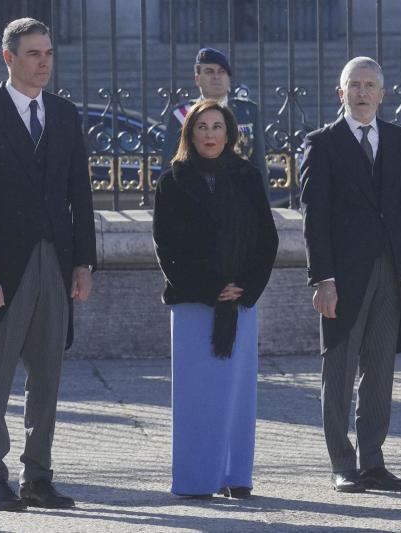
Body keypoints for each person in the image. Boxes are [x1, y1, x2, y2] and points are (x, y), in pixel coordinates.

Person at [0, 18, 96, 511]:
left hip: (55, 260)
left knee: (48, 374)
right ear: (8, 58)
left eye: (49, 53)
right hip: (3, 268)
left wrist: (84, 263)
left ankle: (38, 476)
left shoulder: (65, 114)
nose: (44, 62)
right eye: (34, 53)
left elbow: (80, 194)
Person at [300, 57, 401, 493]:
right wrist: (323, 279)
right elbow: (314, 218)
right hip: (343, 277)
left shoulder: (398, 140)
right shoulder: (322, 143)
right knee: (338, 369)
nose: (362, 93)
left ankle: (372, 460)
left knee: (380, 368)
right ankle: (342, 463)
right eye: (354, 85)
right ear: (341, 93)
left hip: (390, 271)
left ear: (382, 94)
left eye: (370, 85)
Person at [152, 99, 278, 499]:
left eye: (217, 127)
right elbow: (166, 248)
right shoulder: (172, 181)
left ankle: (235, 476)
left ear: (229, 133)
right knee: (197, 397)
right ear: (189, 134)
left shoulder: (246, 176)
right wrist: (208, 289)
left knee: (237, 395)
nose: (210, 135)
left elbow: (266, 238)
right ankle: (195, 480)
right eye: (202, 127)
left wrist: (245, 286)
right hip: (193, 304)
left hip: (239, 302)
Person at [157, 47, 268, 197]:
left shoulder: (248, 112)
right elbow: (170, 166)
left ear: (228, 78)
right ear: (197, 79)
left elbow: (258, 165)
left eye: (221, 72)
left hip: (238, 199)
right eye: (209, 72)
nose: (216, 77)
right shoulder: (182, 115)